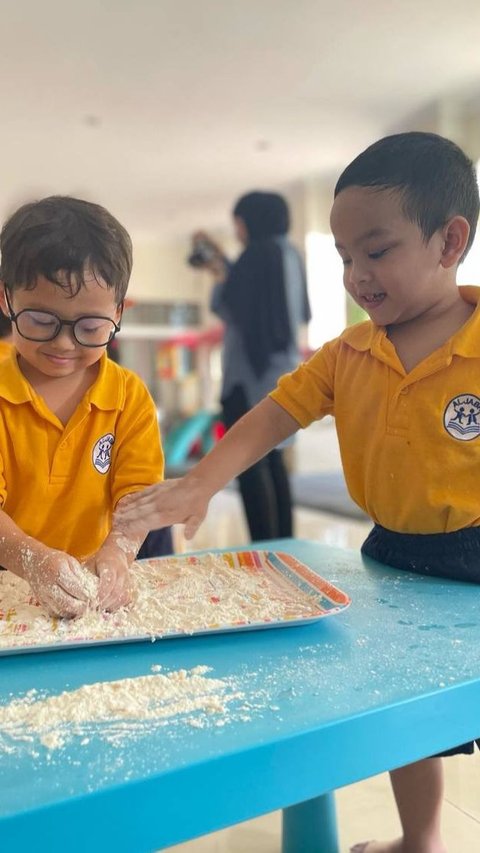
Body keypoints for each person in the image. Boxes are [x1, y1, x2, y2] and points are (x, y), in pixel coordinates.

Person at [118, 130, 480, 853]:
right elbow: (272, 416)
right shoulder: (348, 354)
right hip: (394, 556)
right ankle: (423, 838)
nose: (355, 274)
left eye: (376, 251)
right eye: (345, 256)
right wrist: (199, 485)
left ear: (449, 241)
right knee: (408, 713)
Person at [0, 195, 164, 618]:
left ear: (119, 312)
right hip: (8, 579)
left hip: (95, 579)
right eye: (40, 321)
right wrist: (31, 558)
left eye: (90, 327)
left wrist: (117, 554)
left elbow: (137, 494)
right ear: (6, 300)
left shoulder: (129, 397)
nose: (63, 344)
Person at [191, 191, 310, 541]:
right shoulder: (291, 255)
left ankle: (263, 545)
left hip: (249, 376)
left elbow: (229, 308)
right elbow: (301, 312)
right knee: (274, 464)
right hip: (285, 371)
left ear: (250, 221)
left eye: (239, 222)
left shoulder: (255, 256)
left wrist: (220, 274)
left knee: (248, 463)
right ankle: (283, 543)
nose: (238, 229)